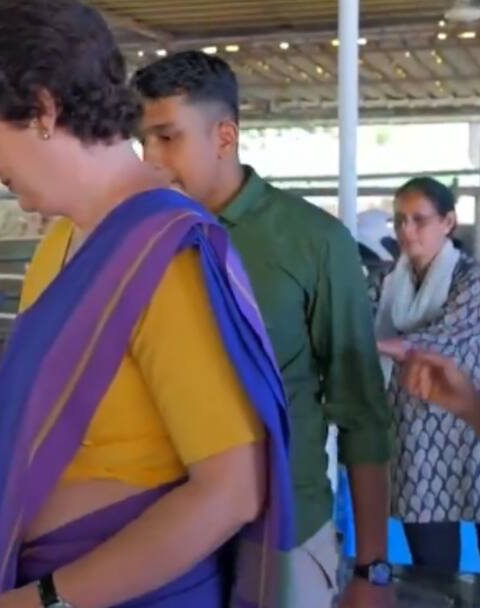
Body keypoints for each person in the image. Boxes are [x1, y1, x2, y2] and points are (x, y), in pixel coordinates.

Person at [0, 2, 294, 607]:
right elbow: (17, 400)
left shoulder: (169, 256)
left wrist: (47, 600)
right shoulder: (64, 241)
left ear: (43, 109)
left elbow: (231, 493)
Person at [132, 51, 394, 608]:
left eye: (167, 137)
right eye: (143, 141)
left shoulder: (313, 241)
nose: (150, 159)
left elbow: (361, 411)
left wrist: (372, 570)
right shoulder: (143, 240)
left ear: (224, 136)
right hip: (165, 521)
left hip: (283, 526)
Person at [373, 177, 480, 577]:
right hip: (416, 439)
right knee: (433, 569)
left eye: (419, 219)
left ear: (448, 222)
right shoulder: (385, 281)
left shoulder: (471, 279)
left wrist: (370, 345)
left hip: (469, 426)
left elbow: (442, 339)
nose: (407, 230)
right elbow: (358, 323)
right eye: (400, 220)